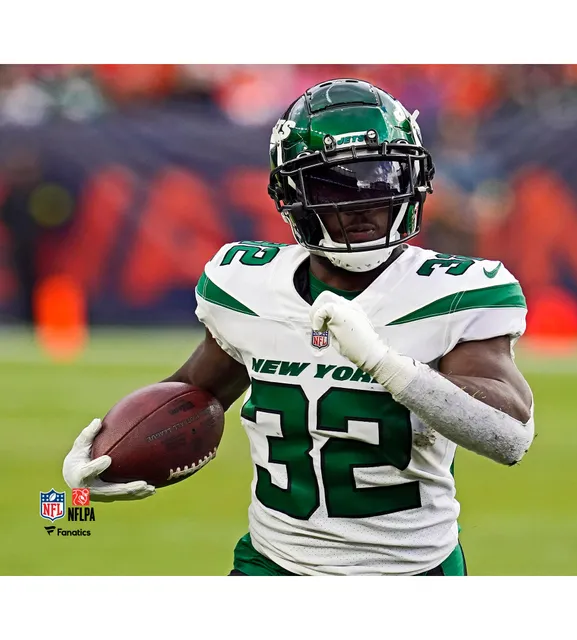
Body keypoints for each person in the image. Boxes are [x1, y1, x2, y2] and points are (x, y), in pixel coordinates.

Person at [62, 78, 535, 576]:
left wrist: (385, 366)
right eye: (336, 183)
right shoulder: (247, 285)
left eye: (383, 178)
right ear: (293, 195)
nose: (365, 203)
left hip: (412, 569)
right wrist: (109, 452)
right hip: (273, 563)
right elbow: (193, 393)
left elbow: (511, 436)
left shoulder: (454, 290)